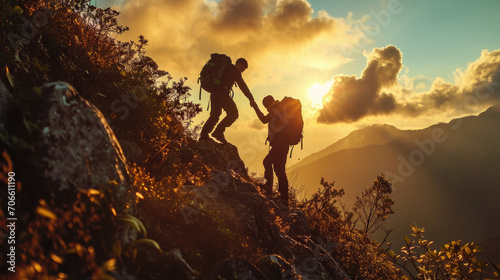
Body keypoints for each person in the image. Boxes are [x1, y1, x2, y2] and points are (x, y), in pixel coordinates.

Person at [200, 58, 256, 144]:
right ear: (238, 64)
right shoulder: (234, 70)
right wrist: (251, 98)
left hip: (215, 93)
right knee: (233, 113)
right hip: (221, 94)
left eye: (243, 70)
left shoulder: (227, 68)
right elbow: (242, 85)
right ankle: (218, 131)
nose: (241, 71)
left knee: (214, 116)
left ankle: (204, 136)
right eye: (242, 68)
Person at [251, 95, 290, 206]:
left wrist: (255, 107)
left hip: (280, 145)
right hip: (282, 145)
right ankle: (283, 197)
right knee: (279, 169)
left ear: (267, 104)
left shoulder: (276, 109)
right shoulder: (279, 108)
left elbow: (264, 120)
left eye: (265, 106)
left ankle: (269, 191)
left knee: (268, 163)